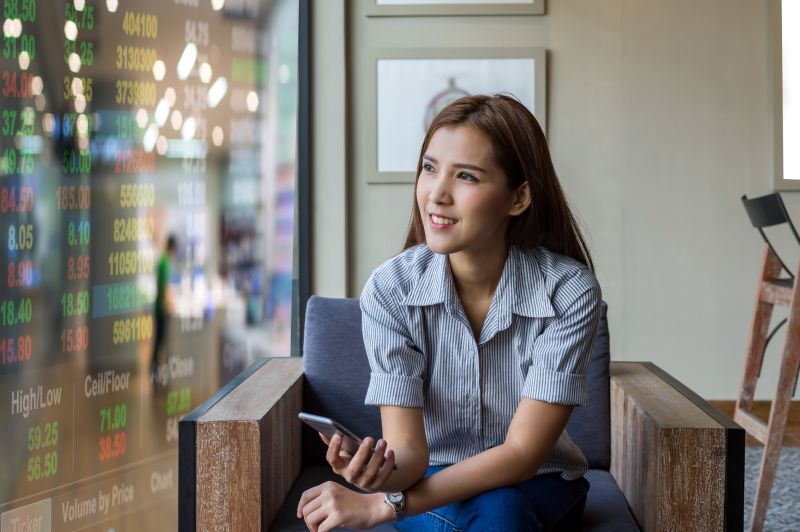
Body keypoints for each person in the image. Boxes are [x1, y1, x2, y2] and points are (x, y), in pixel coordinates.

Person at [297, 94, 601, 531]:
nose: (437, 194)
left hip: (541, 482)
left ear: (518, 198)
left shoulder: (568, 292)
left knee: (502, 511)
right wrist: (378, 474)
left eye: (467, 177)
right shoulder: (391, 289)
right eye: (429, 168)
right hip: (430, 477)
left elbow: (521, 455)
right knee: (495, 517)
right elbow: (410, 453)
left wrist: (384, 504)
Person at [151, 234, 177, 383]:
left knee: (159, 343)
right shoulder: (164, 263)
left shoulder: (163, 261)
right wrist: (168, 305)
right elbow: (163, 288)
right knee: (160, 343)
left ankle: (156, 374)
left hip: (159, 308)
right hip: (161, 310)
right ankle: (156, 375)